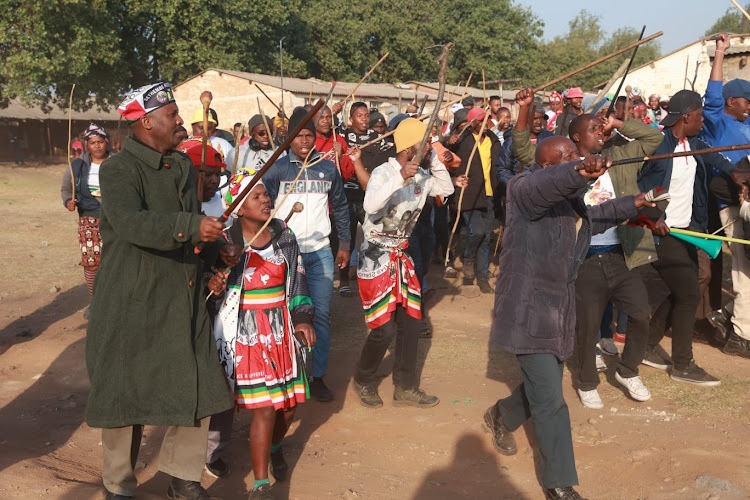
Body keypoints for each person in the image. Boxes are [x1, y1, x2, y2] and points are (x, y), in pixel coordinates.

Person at [484, 108, 655, 499]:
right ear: (544, 166)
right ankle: (559, 483)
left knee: (542, 386)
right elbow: (548, 185)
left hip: (558, 311)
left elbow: (596, 217)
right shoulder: (523, 191)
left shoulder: (568, 205)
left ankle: (500, 415)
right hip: (527, 312)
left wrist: (637, 201)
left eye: (573, 159)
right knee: (552, 401)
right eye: (565, 158)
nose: (573, 162)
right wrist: (576, 172)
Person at [86, 82, 235, 500]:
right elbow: (132, 223)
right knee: (123, 393)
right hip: (131, 300)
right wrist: (191, 227)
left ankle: (184, 477)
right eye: (172, 115)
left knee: (197, 382)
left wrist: (213, 255)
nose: (181, 122)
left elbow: (189, 228)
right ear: (146, 122)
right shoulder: (118, 170)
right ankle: (118, 485)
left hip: (182, 295)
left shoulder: (183, 168)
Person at [207, 172, 316, 499]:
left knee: (290, 407)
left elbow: (298, 279)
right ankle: (260, 484)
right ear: (237, 207)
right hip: (243, 334)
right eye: (255, 196)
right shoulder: (224, 240)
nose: (265, 198)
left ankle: (276, 446)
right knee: (265, 408)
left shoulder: (284, 233)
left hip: (281, 330)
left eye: (265, 193)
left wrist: (303, 317)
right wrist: (215, 281)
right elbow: (208, 283)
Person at [351, 118, 456, 408]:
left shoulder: (422, 174)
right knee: (383, 328)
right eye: (425, 145)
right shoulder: (384, 172)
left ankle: (405, 387)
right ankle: (362, 378)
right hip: (376, 256)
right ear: (410, 148)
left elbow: (446, 190)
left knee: (411, 322)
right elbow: (370, 205)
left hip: (402, 254)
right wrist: (400, 176)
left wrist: (433, 158)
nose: (430, 149)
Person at [565, 110, 664, 409]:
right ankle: (586, 382)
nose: (601, 132)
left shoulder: (618, 155)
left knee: (640, 314)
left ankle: (628, 370)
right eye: (594, 129)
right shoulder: (565, 165)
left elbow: (654, 137)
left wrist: (620, 123)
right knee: (588, 325)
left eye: (603, 128)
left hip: (620, 255)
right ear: (576, 137)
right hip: (585, 260)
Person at [638, 89, 736, 386]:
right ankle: (683, 364)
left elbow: (723, 165)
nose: (703, 122)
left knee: (687, 287)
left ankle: (647, 344)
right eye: (699, 117)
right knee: (690, 292)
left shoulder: (696, 144)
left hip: (688, 231)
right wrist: (653, 218)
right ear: (686, 117)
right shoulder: (658, 145)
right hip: (661, 231)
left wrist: (741, 176)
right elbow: (639, 185)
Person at [262, 107, 351, 403]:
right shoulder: (276, 168)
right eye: (298, 135)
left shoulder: (327, 167)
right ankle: (290, 371)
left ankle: (318, 376)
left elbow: (339, 207)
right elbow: (262, 209)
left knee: (322, 314)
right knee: (288, 315)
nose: (304, 141)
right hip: (285, 255)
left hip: (320, 252)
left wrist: (345, 244)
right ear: (289, 138)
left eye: (309, 135)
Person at [700, 33, 750, 357]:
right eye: (747, 100)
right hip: (732, 206)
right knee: (743, 270)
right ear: (731, 102)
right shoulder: (716, 123)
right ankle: (741, 336)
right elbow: (712, 94)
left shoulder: (748, 120)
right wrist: (720, 52)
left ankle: (729, 316)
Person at [338, 102, 394, 298]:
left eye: (366, 115)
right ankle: (343, 280)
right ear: (351, 118)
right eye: (359, 115)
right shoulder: (342, 136)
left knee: (374, 238)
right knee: (347, 240)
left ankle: (372, 277)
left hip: (369, 196)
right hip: (346, 196)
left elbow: (388, 160)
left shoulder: (377, 138)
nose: (364, 118)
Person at [446, 107, 501, 293]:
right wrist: (448, 142)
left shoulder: (493, 139)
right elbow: (443, 154)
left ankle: (481, 276)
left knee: (486, 236)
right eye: (480, 121)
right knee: (476, 231)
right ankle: (467, 258)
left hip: (489, 193)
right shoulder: (461, 139)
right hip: (468, 192)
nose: (484, 124)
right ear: (471, 123)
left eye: (487, 120)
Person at [61, 124, 112, 317]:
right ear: (87, 145)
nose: (97, 146)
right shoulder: (77, 166)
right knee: (92, 262)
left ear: (106, 143)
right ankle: (95, 301)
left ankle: (116, 301)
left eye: (100, 142)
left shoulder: (118, 162)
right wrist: (68, 202)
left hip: (114, 218)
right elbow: (66, 189)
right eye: (93, 143)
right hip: (88, 218)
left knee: (116, 261)